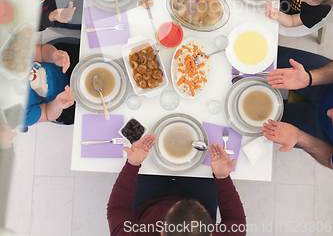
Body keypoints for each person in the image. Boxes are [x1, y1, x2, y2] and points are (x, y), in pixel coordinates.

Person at [107, 135, 246, 236]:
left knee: (152, 157)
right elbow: (236, 220)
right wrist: (222, 177)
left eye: (174, 206)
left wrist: (132, 164)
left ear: (162, 231)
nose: (177, 200)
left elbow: (117, 208)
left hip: (149, 200)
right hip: (200, 197)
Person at [262, 46, 333, 169]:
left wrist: (299, 137)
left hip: (319, 132)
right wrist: (309, 78)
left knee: (256, 122)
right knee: (264, 56)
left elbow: (329, 159)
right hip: (326, 81)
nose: (329, 112)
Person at [24, 41, 79, 127]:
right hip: (61, 99)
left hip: (61, 64)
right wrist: (57, 105)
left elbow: (41, 51)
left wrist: (52, 55)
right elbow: (46, 114)